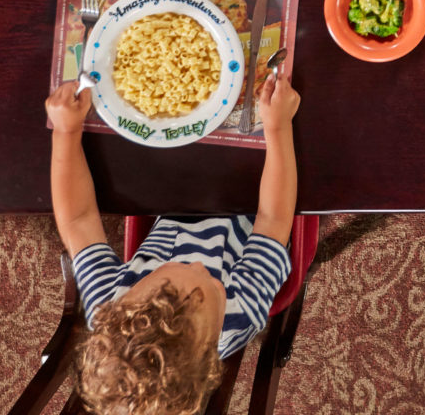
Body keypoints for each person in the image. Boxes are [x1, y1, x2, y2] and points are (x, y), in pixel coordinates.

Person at [45, 69, 301, 415]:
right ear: (212, 353)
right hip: (254, 204)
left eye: (175, 269)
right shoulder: (242, 313)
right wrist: (277, 126)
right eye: (213, 286)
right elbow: (274, 219)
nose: (198, 264)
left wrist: (65, 130)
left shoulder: (108, 308)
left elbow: (77, 221)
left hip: (176, 198)